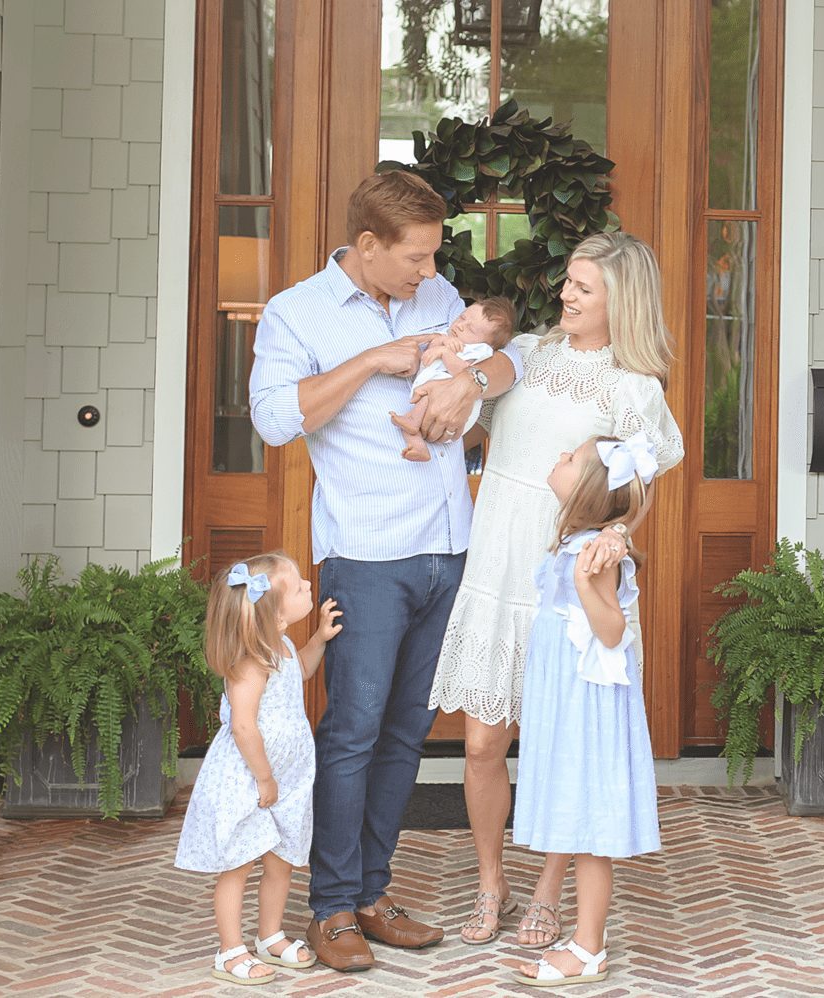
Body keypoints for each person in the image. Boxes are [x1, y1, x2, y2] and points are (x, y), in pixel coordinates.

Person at [248, 170, 524, 972]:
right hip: (366, 557)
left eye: (435, 256)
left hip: (450, 552)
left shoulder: (439, 301)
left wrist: (474, 376)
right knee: (352, 733)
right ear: (366, 246)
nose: (431, 273)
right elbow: (273, 420)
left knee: (405, 735)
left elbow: (508, 367)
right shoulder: (295, 313)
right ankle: (329, 908)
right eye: (415, 257)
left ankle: (371, 892)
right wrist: (371, 359)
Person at [429, 231, 683, 948]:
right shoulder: (530, 353)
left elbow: (636, 489)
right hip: (495, 562)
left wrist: (618, 537)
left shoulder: (633, 387)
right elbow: (474, 426)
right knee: (482, 744)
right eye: (568, 283)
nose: (567, 295)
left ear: (620, 301)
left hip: (559, 577)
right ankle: (491, 882)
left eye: (584, 288)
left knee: (557, 744)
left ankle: (547, 890)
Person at [510, 435, 661, 987]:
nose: (558, 458)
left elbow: (613, 630)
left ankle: (588, 947)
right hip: (567, 695)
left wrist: (582, 580)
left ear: (591, 493)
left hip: (587, 700)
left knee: (592, 824)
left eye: (569, 460)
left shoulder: (593, 555)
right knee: (578, 814)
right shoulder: (581, 540)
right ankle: (585, 943)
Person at [174, 552, 341, 985]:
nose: (309, 586)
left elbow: (300, 668)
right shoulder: (249, 662)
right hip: (251, 778)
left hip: (285, 778)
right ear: (277, 613)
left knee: (281, 860)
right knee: (239, 865)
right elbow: (244, 726)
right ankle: (229, 951)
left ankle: (270, 935)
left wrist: (320, 639)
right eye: (300, 585)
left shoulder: (281, 646)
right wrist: (264, 777)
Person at [391, 296, 515, 461]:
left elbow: (464, 373)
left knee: (431, 399)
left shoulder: (479, 350)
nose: (460, 326)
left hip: (450, 408)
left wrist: (445, 353)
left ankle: (413, 421)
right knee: (413, 424)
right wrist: (439, 342)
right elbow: (428, 355)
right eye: (462, 317)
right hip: (427, 393)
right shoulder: (449, 336)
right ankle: (418, 448)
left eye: (470, 330)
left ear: (488, 343)